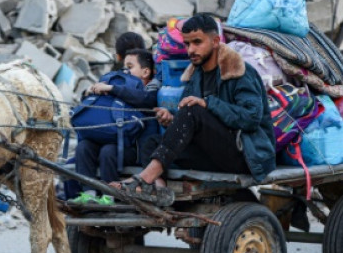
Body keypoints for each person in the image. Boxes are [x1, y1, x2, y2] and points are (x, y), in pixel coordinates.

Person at [113, 14, 276, 201]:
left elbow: (251, 118)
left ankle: (145, 178)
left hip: (244, 154)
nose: (191, 50)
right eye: (187, 44)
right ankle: (158, 190)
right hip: (212, 153)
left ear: (215, 41)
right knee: (152, 142)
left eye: (197, 42)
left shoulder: (240, 71)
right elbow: (189, 119)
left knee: (194, 109)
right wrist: (171, 118)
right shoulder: (196, 75)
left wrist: (208, 103)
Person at [71, 49, 159, 205]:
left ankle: (109, 194)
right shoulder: (119, 86)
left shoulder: (149, 90)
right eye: (124, 66)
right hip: (110, 139)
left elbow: (144, 100)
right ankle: (88, 193)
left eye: (130, 66)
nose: (125, 71)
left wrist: (112, 89)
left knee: (108, 151)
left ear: (145, 72)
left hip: (134, 150)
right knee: (83, 147)